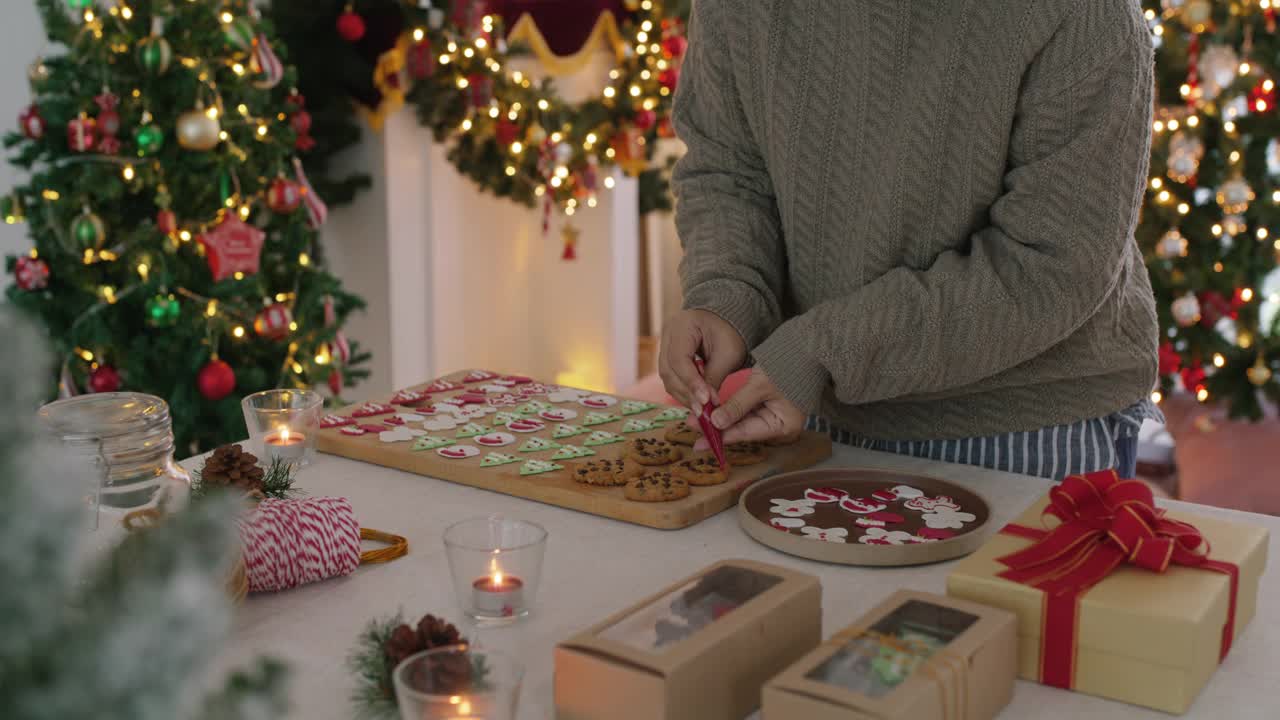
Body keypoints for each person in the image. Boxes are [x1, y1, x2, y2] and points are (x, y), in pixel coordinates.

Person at [659, 0, 1161, 481]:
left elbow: (1052, 266)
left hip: (1021, 426)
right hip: (810, 407)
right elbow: (727, 169)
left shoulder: (1086, 12)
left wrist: (826, 352)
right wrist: (726, 293)